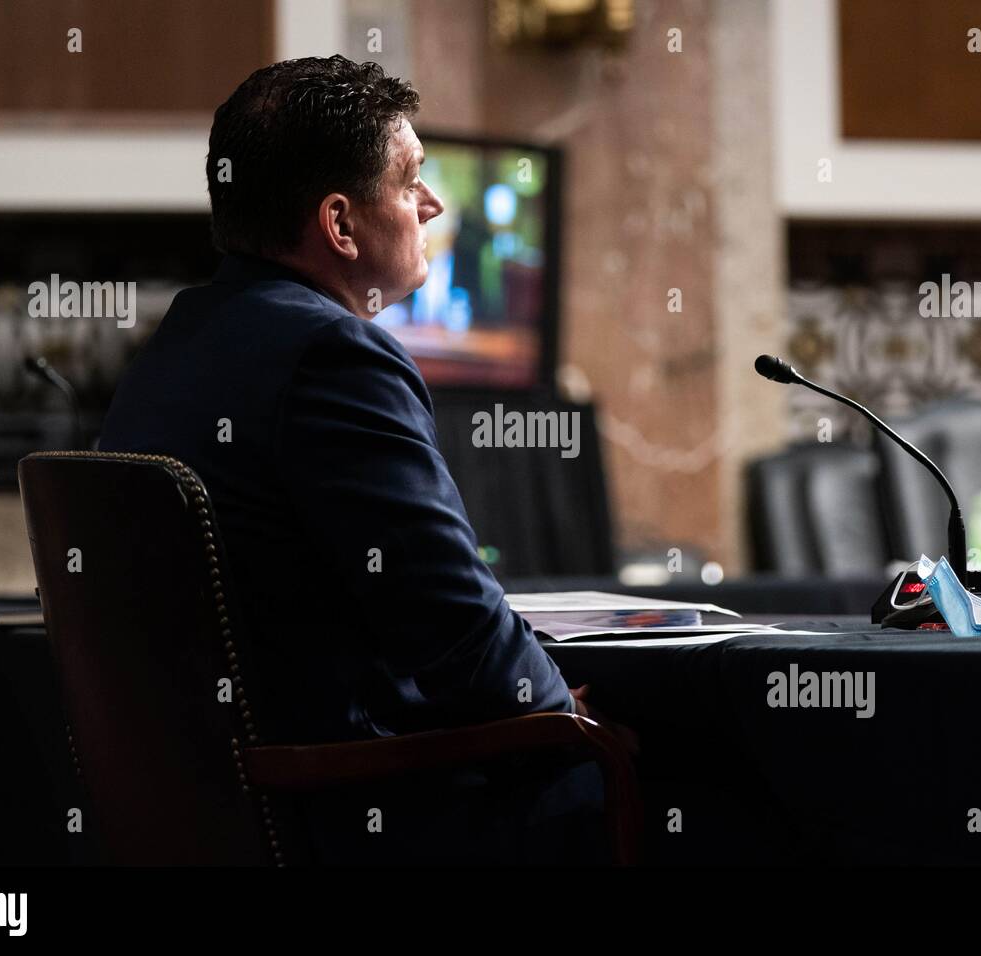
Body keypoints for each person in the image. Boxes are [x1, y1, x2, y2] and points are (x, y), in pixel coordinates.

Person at [98, 56, 635, 863]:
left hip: (215, 816)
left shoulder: (175, 344)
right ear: (341, 225)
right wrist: (560, 712)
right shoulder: (333, 355)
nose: (434, 203)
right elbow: (452, 626)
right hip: (358, 812)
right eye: (412, 178)